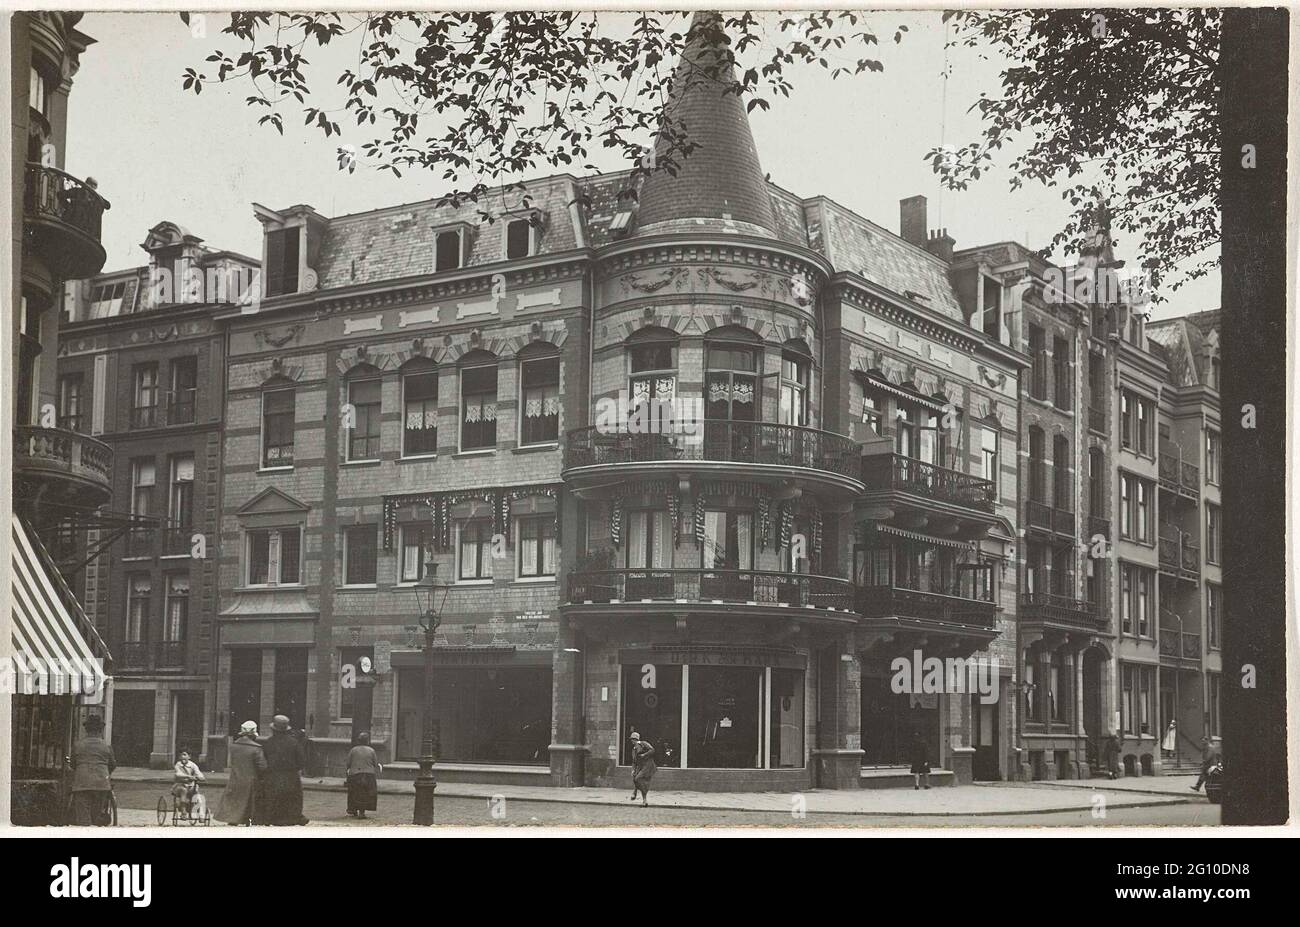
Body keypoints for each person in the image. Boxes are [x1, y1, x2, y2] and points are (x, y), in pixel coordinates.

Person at [260, 715, 308, 825]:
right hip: (291, 776)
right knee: (292, 798)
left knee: (272, 797)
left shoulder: (268, 742)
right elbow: (302, 761)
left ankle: (271, 818)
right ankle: (293, 818)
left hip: (273, 776)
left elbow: (264, 759)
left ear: (273, 729)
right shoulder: (294, 742)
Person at [69, 714, 115, 826]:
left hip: (82, 783)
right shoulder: (107, 746)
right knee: (96, 814)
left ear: (86, 729)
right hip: (101, 784)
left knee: (83, 816)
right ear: (101, 730)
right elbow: (112, 764)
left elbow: (72, 764)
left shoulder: (78, 745)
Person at [217, 721, 267, 825]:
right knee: (249, 802)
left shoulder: (234, 746)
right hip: (251, 780)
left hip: (235, 778)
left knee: (235, 799)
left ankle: (233, 819)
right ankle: (247, 820)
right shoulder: (256, 748)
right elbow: (262, 767)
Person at [346, 732, 381, 819]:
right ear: (367, 741)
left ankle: (353, 810)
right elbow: (375, 763)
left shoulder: (353, 750)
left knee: (354, 792)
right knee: (366, 794)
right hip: (368, 774)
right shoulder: (371, 750)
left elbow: (348, 763)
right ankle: (362, 812)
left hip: (355, 774)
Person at [172, 750, 207, 819]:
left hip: (190, 786)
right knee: (183, 790)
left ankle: (201, 815)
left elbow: (199, 773)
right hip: (179, 785)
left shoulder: (193, 765)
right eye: (181, 755)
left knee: (197, 795)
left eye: (185, 755)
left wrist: (200, 777)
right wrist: (188, 776)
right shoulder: (178, 764)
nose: (183, 757)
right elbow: (178, 774)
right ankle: (183, 812)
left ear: (189, 757)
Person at [629, 731, 655, 807]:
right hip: (640, 766)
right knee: (635, 778)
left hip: (648, 765)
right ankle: (641, 797)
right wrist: (633, 769)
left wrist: (644, 754)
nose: (632, 741)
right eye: (631, 740)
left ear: (636, 739)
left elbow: (652, 750)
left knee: (637, 779)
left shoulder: (643, 744)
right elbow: (634, 761)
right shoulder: (633, 749)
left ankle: (638, 794)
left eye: (633, 739)